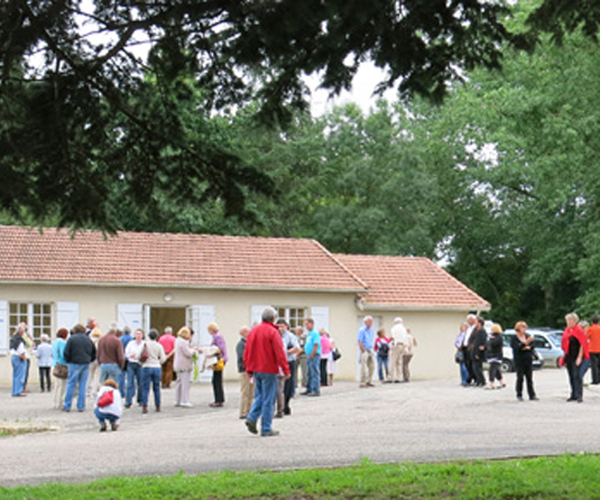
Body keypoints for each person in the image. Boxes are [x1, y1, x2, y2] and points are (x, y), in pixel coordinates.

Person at [244, 306, 290, 437]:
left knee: (260, 396)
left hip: (255, 367)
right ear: (273, 318)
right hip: (269, 368)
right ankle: (265, 427)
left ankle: (252, 417)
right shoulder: (273, 332)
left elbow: (247, 351)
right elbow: (279, 353)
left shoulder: (253, 331)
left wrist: (248, 368)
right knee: (268, 399)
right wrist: (286, 369)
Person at [63, 323, 97, 412]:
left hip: (74, 363)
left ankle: (67, 405)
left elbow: (66, 352)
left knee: (71, 384)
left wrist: (68, 360)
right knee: (83, 385)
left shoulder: (71, 339)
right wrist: (89, 360)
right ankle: (81, 406)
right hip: (85, 363)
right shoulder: (88, 340)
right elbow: (94, 352)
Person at [562, 312, 588, 403]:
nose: (568, 322)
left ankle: (579, 395)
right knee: (571, 375)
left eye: (569, 320)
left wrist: (580, 357)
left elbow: (582, 344)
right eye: (567, 320)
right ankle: (573, 394)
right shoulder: (567, 330)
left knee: (577, 375)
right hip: (568, 355)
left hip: (576, 355)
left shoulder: (578, 331)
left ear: (575, 321)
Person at [140, 328, 166, 413]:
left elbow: (138, 355)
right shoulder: (159, 346)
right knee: (157, 387)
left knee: (145, 387)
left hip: (146, 366)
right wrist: (158, 362)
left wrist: (141, 363)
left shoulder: (145, 345)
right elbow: (163, 358)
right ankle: (158, 405)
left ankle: (144, 406)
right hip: (156, 367)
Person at [277, 319, 301, 416]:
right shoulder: (275, 336)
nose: (281, 328)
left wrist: (287, 351)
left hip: (289, 361)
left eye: (282, 326)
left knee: (288, 384)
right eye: (279, 326)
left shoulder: (291, 336)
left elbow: (298, 349)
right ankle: (280, 405)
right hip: (278, 363)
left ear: (286, 327)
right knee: (279, 385)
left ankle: (286, 404)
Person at [511, 321, 538, 402]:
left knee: (529, 378)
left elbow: (532, 346)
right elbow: (517, 348)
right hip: (519, 360)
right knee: (520, 377)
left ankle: (532, 395)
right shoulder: (514, 338)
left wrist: (528, 346)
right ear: (518, 328)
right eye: (523, 327)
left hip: (528, 359)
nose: (524, 328)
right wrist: (526, 343)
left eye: (525, 327)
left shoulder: (528, 336)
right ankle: (519, 394)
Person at [173, 327, 197, 408]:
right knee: (185, 383)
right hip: (184, 365)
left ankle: (177, 400)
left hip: (178, 364)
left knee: (179, 383)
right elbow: (188, 353)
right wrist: (194, 350)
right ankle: (185, 400)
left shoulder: (177, 340)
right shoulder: (183, 342)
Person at [207, 322, 228, 408]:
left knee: (216, 380)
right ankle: (219, 399)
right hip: (220, 359)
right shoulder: (218, 336)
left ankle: (218, 399)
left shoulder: (217, 337)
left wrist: (212, 352)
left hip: (219, 360)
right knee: (216, 380)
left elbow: (220, 348)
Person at [124, 328, 145, 408]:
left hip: (140, 364)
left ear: (142, 336)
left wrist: (138, 356)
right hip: (131, 364)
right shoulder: (130, 344)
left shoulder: (144, 344)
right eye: (136, 334)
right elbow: (126, 353)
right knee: (130, 383)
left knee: (141, 383)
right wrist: (130, 355)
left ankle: (141, 400)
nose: (138, 336)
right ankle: (128, 401)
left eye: (139, 334)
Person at [236, 326, 253, 419]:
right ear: (242, 333)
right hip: (244, 370)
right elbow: (243, 358)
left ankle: (249, 411)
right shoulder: (241, 344)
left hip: (252, 370)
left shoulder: (250, 343)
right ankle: (243, 412)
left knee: (251, 392)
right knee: (245, 392)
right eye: (246, 332)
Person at [301, 318, 322, 396]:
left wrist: (313, 353)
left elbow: (316, 344)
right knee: (309, 372)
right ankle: (309, 388)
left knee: (314, 372)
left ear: (311, 324)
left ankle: (316, 390)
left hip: (314, 355)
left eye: (307, 324)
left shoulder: (315, 333)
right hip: (309, 354)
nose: (306, 326)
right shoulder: (309, 333)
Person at [52, 328, 69, 409]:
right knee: (62, 385)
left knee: (57, 385)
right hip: (62, 365)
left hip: (54, 364)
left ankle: (55, 401)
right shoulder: (62, 342)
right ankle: (60, 402)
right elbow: (63, 354)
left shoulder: (55, 342)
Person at [9, 324, 28, 397]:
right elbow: (21, 350)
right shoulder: (19, 340)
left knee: (15, 375)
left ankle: (14, 390)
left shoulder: (13, 338)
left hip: (13, 357)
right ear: (21, 331)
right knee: (20, 375)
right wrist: (24, 358)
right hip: (18, 357)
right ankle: (18, 391)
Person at [486, 323, 505, 390]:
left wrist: (491, 340)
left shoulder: (499, 337)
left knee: (492, 370)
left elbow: (494, 344)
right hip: (491, 355)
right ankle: (502, 382)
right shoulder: (492, 336)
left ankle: (491, 384)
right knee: (496, 370)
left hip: (496, 356)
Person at [357, 315, 375, 388]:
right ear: (365, 322)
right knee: (363, 366)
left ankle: (369, 381)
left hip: (370, 349)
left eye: (371, 321)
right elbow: (360, 341)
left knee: (372, 366)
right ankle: (362, 381)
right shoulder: (362, 330)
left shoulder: (371, 330)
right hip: (364, 349)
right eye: (369, 321)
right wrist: (363, 350)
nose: (371, 323)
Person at [471, 317, 488, 387]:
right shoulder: (476, 330)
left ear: (480, 323)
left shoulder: (482, 331)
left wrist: (477, 353)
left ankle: (482, 381)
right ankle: (478, 381)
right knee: (475, 367)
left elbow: (480, 343)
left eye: (476, 322)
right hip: (474, 350)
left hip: (478, 352)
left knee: (478, 367)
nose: (475, 323)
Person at [389, 317, 407, 383]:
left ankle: (390, 377)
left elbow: (392, 337)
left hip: (395, 345)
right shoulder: (403, 329)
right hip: (402, 345)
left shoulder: (394, 328)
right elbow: (406, 338)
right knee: (399, 362)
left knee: (392, 361)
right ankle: (399, 377)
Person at [87, 327, 102, 398]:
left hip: (90, 360)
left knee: (90, 375)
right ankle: (94, 391)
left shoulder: (89, 341)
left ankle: (87, 390)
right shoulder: (101, 341)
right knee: (97, 376)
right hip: (98, 360)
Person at [462, 314, 477, 385]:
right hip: (465, 348)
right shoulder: (468, 329)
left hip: (471, 348)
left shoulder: (475, 329)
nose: (468, 321)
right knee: (467, 364)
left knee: (471, 364)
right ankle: (470, 378)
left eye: (469, 319)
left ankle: (475, 378)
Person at [587, 315, 600, 385]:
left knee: (594, 365)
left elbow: (587, 337)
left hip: (592, 349)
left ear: (592, 321)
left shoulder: (590, 329)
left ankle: (595, 380)